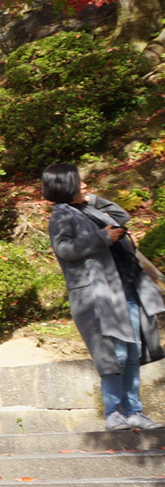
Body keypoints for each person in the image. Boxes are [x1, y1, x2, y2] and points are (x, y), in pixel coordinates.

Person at [45, 162, 165, 430]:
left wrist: (93, 199)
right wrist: (102, 238)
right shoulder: (61, 216)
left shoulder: (88, 209)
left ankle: (134, 411)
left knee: (132, 353)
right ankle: (114, 413)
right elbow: (64, 248)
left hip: (125, 288)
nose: (86, 185)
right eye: (80, 182)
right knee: (115, 355)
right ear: (65, 186)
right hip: (98, 295)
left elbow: (121, 216)